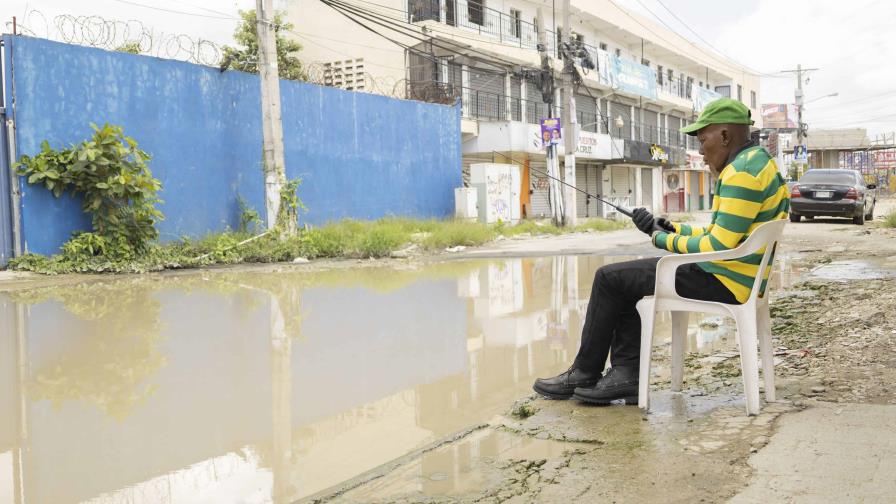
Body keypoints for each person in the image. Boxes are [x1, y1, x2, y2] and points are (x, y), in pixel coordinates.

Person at [533, 98, 790, 404]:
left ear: (724, 136)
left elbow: (718, 245)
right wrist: (671, 229)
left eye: (702, 138)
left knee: (608, 279)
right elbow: (720, 233)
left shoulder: (740, 173)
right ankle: (625, 376)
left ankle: (586, 371)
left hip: (724, 279)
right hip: (736, 276)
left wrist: (659, 240)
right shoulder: (759, 162)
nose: (700, 149)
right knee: (625, 281)